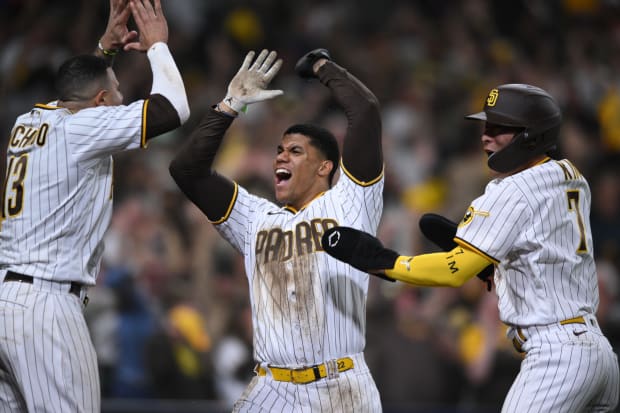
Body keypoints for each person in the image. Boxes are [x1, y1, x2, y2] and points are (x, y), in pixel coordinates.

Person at [321, 84, 620, 412]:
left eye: (499, 128)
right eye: (486, 126)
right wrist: (493, 265)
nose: (485, 137)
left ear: (531, 136)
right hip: (600, 356)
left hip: (557, 356)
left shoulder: (510, 191)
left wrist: (383, 261)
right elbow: (543, 249)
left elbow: (454, 271)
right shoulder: (572, 176)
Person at [169, 48, 384, 412]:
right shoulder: (255, 217)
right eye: (279, 150)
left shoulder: (352, 201)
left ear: (325, 167)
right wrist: (230, 105)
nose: (281, 157)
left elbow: (365, 111)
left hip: (341, 386)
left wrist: (321, 65)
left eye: (296, 151)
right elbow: (186, 171)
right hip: (272, 387)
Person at [0, 0, 189, 410]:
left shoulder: (28, 121)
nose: (122, 99)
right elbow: (174, 108)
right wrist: (158, 45)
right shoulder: (84, 127)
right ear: (101, 101)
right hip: (46, 306)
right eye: (117, 92)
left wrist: (104, 49)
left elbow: (78, 90)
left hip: (6, 297)